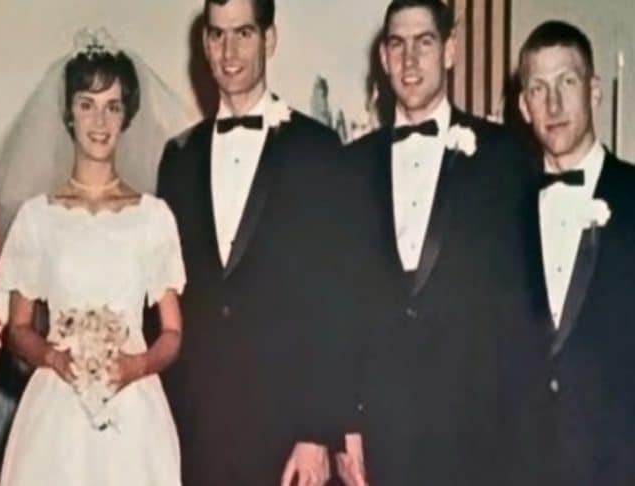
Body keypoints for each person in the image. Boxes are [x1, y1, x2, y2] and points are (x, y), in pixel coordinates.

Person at [339, 1, 538, 484]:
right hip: (381, 430)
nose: (410, 60)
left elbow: (523, 303)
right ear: (383, 58)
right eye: (397, 45)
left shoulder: (505, 156)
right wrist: (343, 423)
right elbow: (336, 305)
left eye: (424, 43)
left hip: (477, 430)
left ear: (449, 51)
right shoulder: (350, 166)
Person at [157, 1, 352, 485]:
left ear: (270, 39)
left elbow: (336, 301)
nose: (229, 52)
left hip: (286, 433)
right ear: (204, 44)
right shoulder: (178, 158)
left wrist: (316, 432)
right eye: (217, 35)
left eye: (243, 33)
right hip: (196, 426)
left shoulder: (317, 150)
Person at [0, 29, 186, 486]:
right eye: (87, 104)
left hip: (132, 408)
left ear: (126, 116)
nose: (100, 121)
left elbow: (172, 333)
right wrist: (53, 357)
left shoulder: (152, 217)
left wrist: (136, 366)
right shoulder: (37, 218)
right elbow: (18, 328)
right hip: (57, 406)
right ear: (68, 113)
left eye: (112, 106)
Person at [517, 20, 635, 486]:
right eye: (538, 88)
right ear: (523, 106)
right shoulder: (501, 209)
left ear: (594, 91)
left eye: (566, 82)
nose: (553, 104)